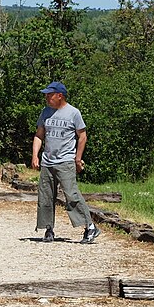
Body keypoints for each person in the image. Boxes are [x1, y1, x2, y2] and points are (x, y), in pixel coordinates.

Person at [31, 81, 101, 244]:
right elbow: (39, 135)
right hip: (48, 161)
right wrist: (35, 155)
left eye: (50, 94)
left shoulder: (73, 113)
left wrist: (78, 158)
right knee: (46, 196)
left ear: (59, 95)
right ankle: (49, 229)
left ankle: (90, 227)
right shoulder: (45, 112)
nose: (46, 97)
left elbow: (82, 136)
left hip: (66, 161)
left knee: (71, 194)